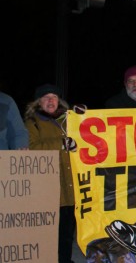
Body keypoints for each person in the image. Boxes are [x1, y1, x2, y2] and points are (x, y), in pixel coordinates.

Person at [24, 84, 77, 263]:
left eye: (54, 97)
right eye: (46, 97)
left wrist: (85, 117)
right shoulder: (32, 123)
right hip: (49, 187)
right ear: (38, 102)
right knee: (50, 231)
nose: (50, 101)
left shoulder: (68, 120)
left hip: (71, 186)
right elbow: (31, 149)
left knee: (67, 232)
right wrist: (62, 143)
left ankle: (65, 260)